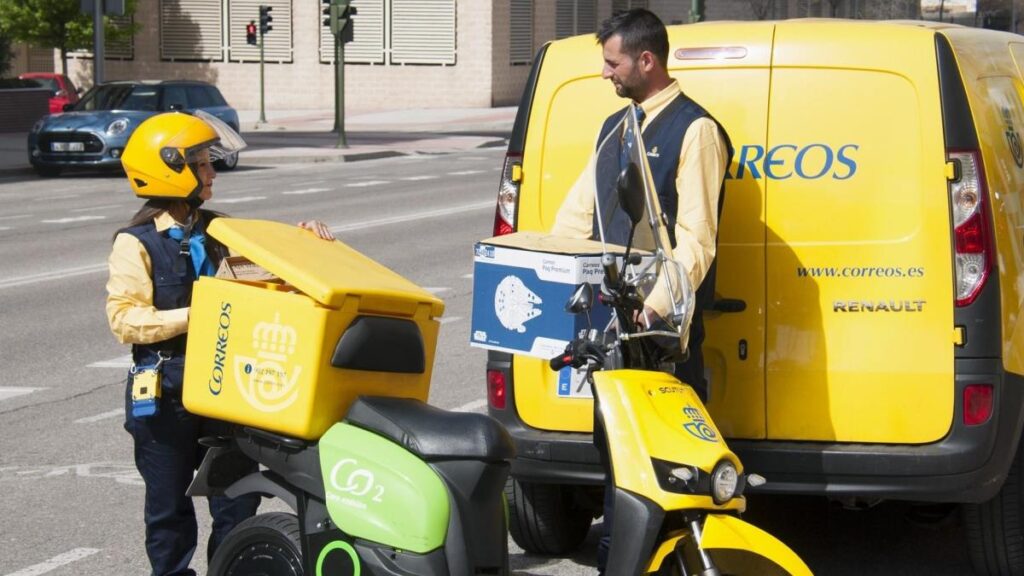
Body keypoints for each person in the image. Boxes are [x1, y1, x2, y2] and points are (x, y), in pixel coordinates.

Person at [105, 111, 334, 576]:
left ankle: (228, 570)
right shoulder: (136, 243)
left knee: (239, 497)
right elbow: (125, 319)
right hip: (166, 389)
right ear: (169, 167)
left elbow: (280, 275)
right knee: (168, 508)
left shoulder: (221, 232)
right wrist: (196, 314)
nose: (211, 173)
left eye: (210, 162)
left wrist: (310, 241)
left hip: (226, 386)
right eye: (201, 163)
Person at [548, 9, 732, 574]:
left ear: (646, 60)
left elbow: (696, 240)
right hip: (611, 329)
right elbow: (579, 214)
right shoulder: (615, 128)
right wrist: (545, 266)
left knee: (664, 469)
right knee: (616, 463)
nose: (605, 73)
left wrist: (650, 312)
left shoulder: (695, 130)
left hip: (658, 338)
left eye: (613, 62)